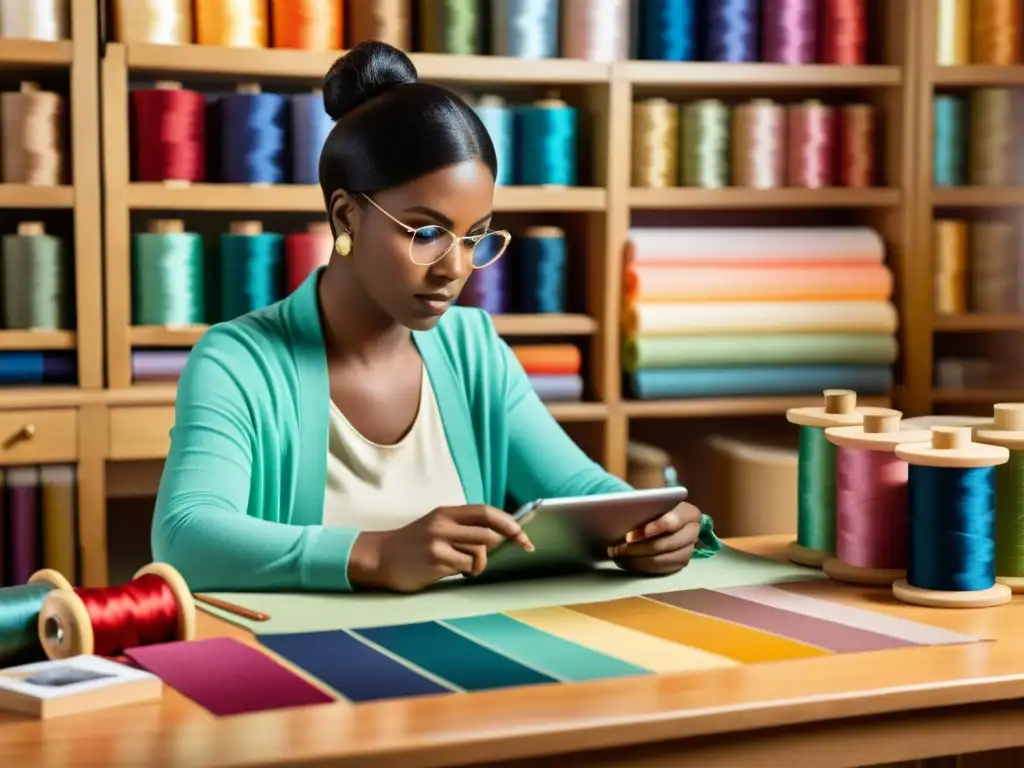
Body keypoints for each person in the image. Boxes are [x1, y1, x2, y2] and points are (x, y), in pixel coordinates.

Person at [151, 41, 708, 594]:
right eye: (426, 232)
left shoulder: (473, 349)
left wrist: (650, 525)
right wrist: (373, 552)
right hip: (300, 666)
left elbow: (576, 487)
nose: (456, 268)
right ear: (346, 216)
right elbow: (185, 536)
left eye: (474, 237)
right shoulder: (237, 361)